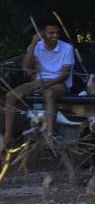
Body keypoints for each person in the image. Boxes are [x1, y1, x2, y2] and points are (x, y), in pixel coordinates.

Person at [3, 21, 76, 149]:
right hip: (38, 81)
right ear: (42, 34)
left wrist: (46, 86)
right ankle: (8, 135)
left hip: (59, 83)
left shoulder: (66, 48)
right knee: (10, 96)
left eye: (57, 33)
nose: (55, 35)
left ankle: (50, 134)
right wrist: (32, 45)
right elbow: (25, 68)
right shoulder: (36, 46)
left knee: (50, 93)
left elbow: (64, 75)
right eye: (51, 33)